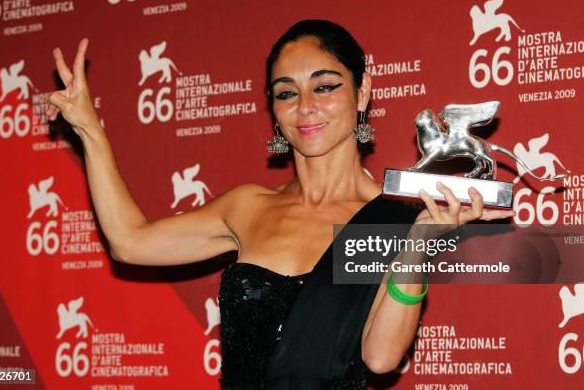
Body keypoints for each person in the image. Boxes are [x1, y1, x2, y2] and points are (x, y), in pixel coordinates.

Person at [46, 20, 514, 389]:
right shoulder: (247, 207)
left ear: (363, 93)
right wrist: (89, 128)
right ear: (273, 108)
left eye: (325, 86)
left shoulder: (393, 216)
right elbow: (130, 243)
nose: (305, 106)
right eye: (286, 92)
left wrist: (417, 247)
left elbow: (381, 358)